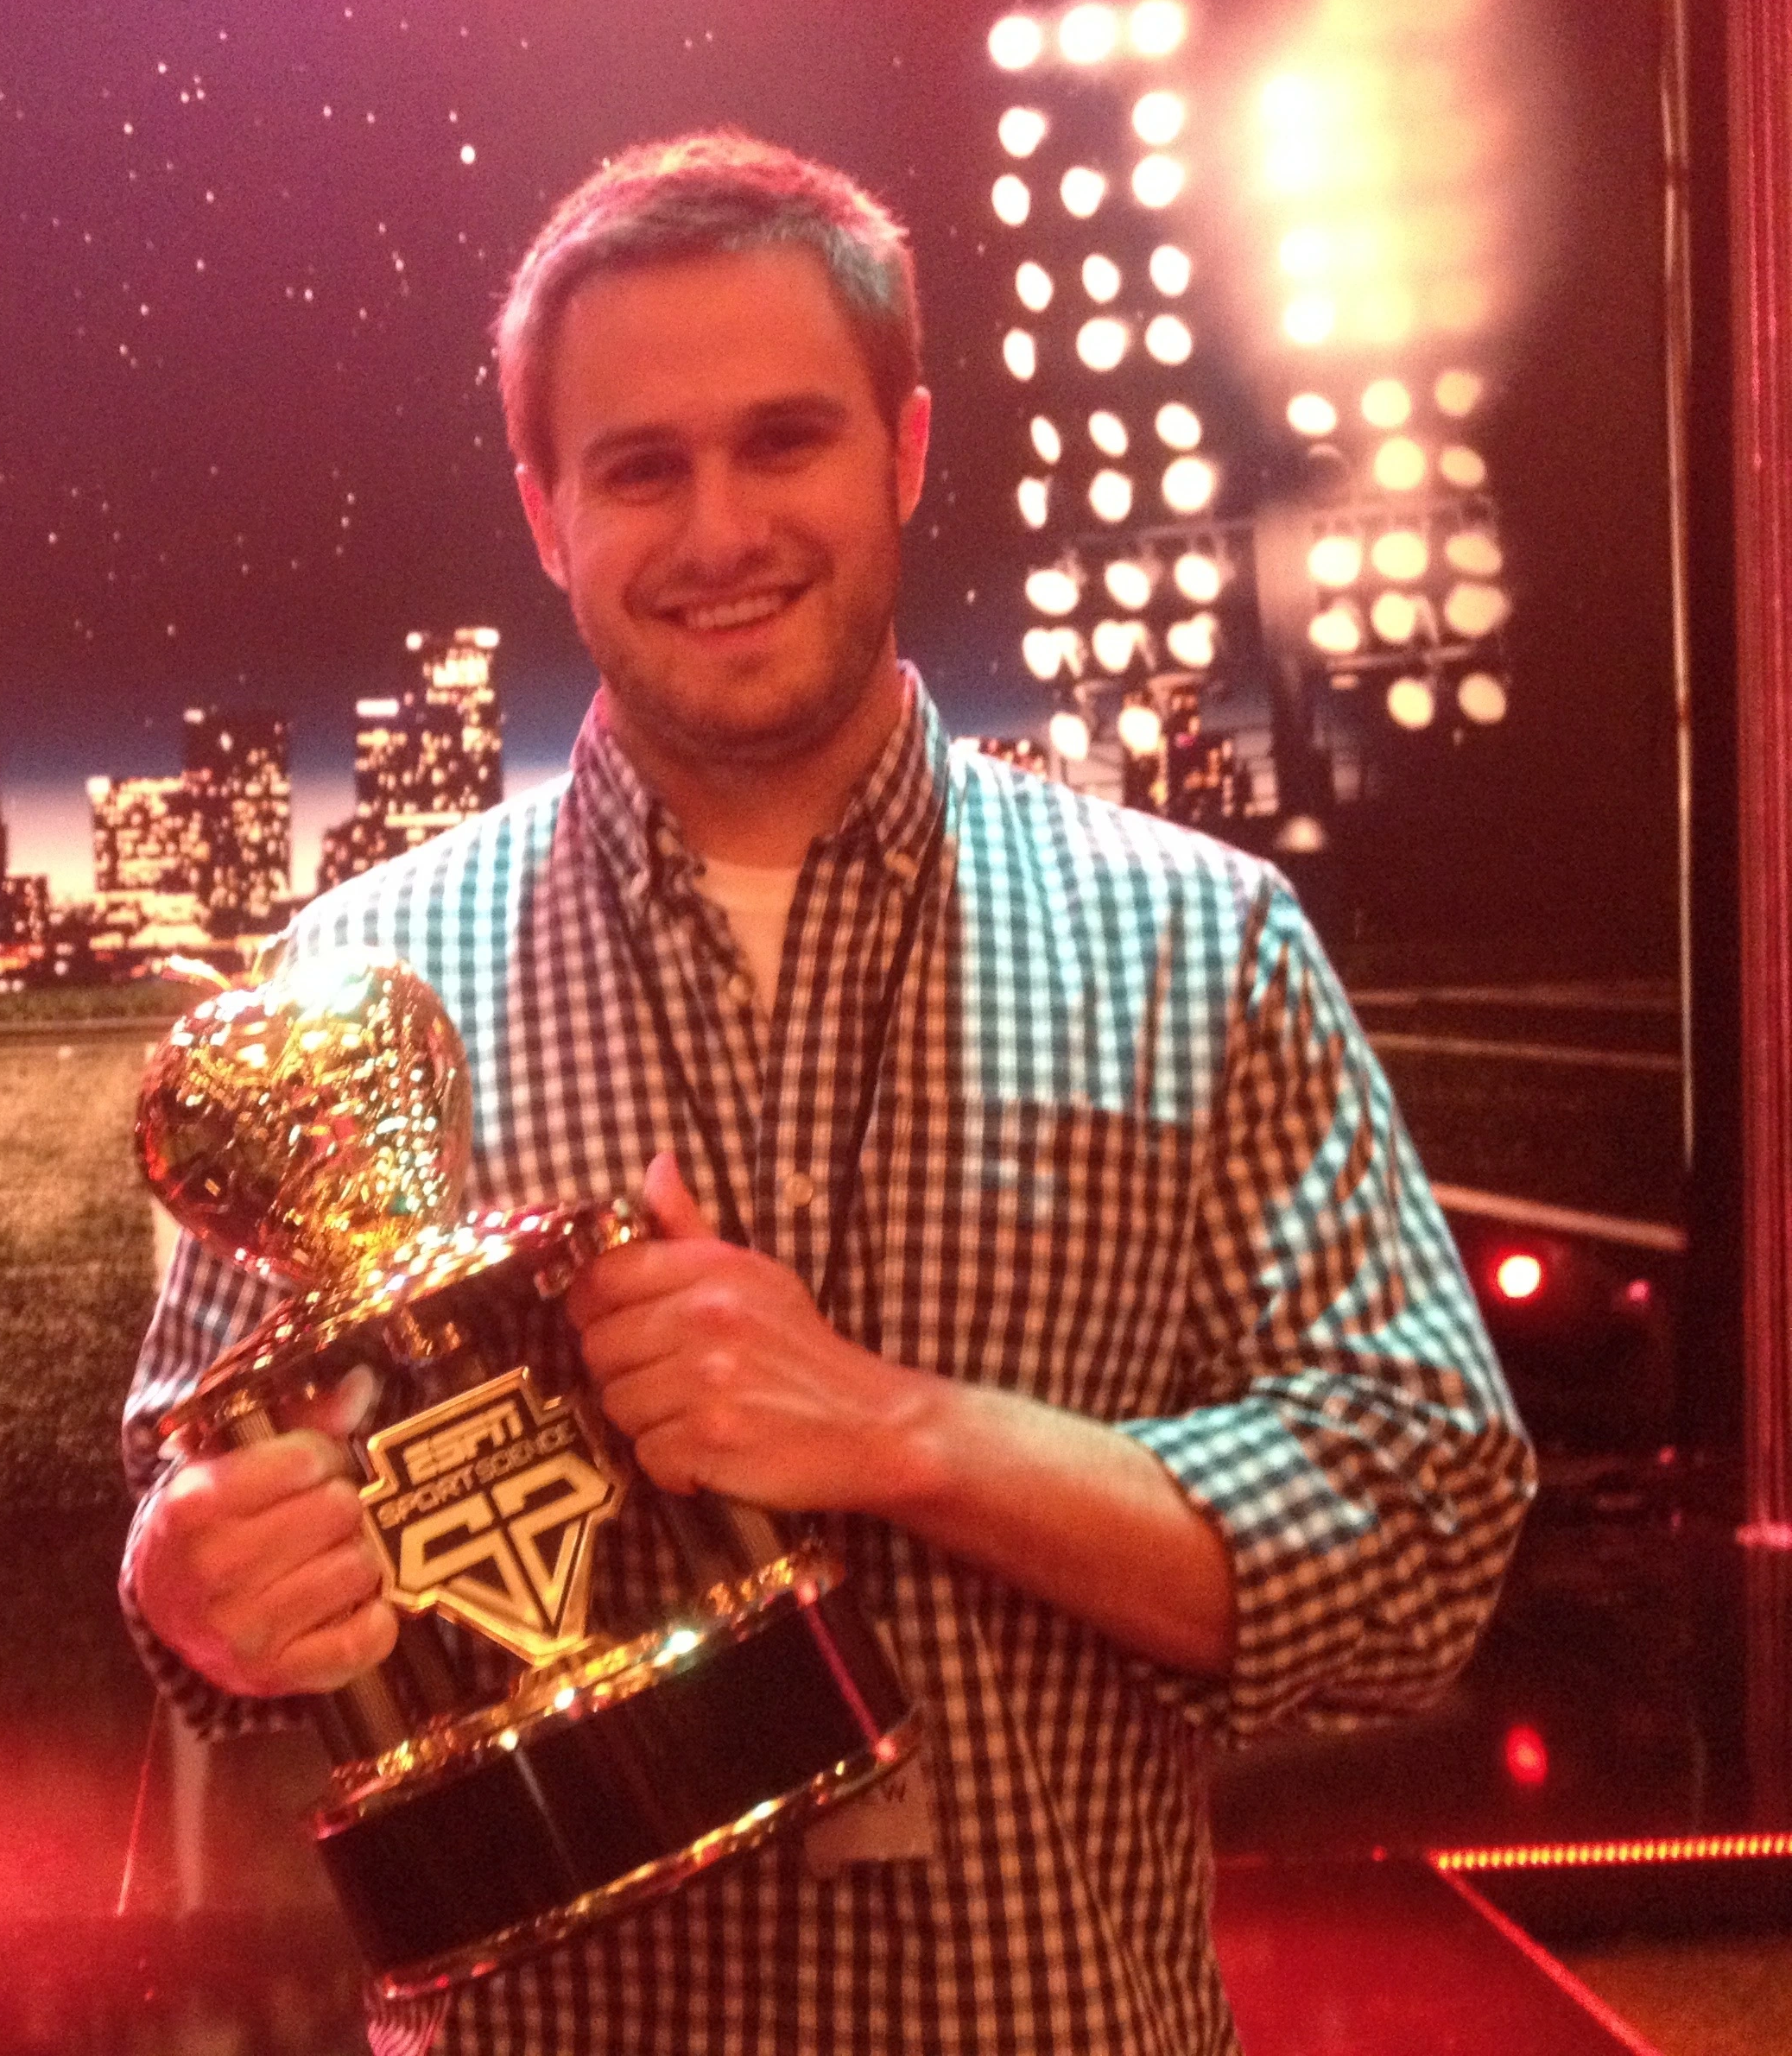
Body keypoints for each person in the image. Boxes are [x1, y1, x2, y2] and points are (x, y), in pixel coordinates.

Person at [119, 131, 1536, 2053]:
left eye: (783, 441)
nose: (719, 532)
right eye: (640, 467)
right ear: (547, 513)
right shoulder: (355, 992)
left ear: (908, 451)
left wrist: (904, 1433)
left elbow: (1424, 1533)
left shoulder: (1201, 946)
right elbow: (197, 1559)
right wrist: (202, 1590)